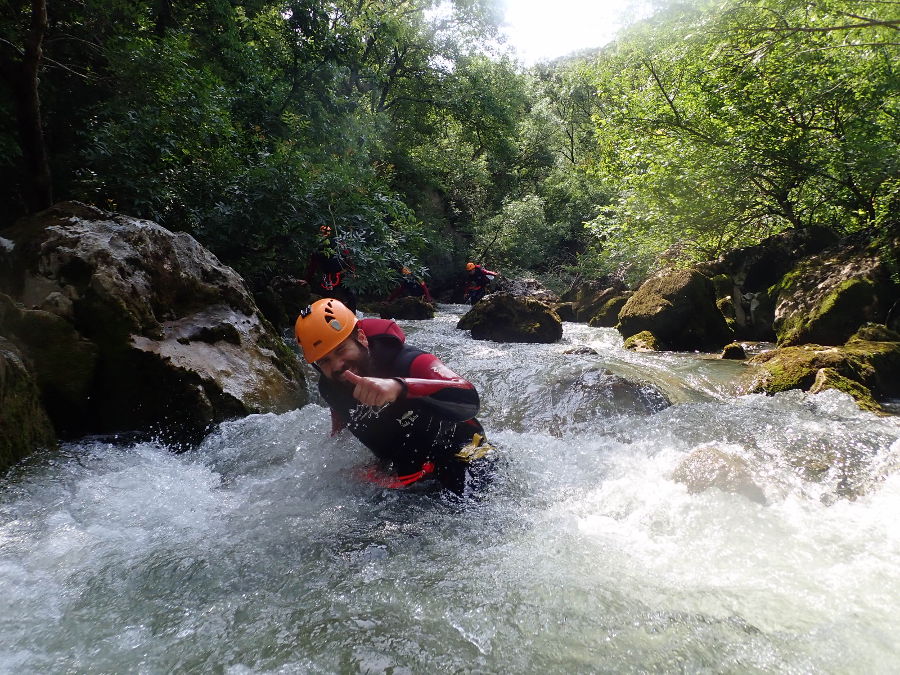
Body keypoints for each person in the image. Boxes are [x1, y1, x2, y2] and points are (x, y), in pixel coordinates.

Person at [294, 297, 494, 495]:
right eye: (325, 360)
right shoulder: (330, 387)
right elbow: (340, 420)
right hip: (405, 475)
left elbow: (469, 399)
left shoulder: (409, 361)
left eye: (341, 349)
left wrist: (400, 387)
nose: (337, 365)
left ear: (361, 337)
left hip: (463, 453)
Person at [306, 225, 357, 311]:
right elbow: (313, 266)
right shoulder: (318, 248)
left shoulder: (339, 243)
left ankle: (352, 318)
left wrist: (353, 272)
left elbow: (348, 258)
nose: (324, 234)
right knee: (329, 298)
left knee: (351, 295)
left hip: (342, 275)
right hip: (329, 277)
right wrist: (307, 280)